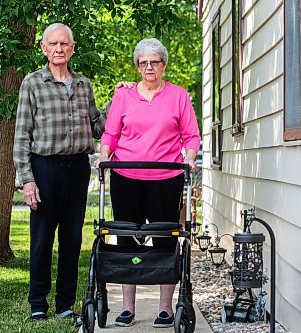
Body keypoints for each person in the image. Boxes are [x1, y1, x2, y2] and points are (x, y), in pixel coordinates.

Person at [96, 37, 200, 328]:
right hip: (126, 176)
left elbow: (191, 136)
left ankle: (165, 308)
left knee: (164, 239)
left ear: (164, 65)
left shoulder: (178, 95)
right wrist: (103, 157)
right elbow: (110, 135)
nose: (149, 67)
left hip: (166, 177)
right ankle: (128, 308)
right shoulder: (124, 96)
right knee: (126, 238)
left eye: (155, 62)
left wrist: (189, 157)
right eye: (143, 63)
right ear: (138, 67)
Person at [13, 23, 107, 325]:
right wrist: (27, 179)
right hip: (45, 169)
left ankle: (66, 304)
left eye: (64, 44)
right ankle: (38, 303)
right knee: (41, 240)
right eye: (52, 44)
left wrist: (118, 104)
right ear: (43, 48)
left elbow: (97, 126)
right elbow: (21, 135)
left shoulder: (83, 84)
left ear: (72, 47)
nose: (58, 49)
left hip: (77, 168)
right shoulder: (32, 83)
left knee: (71, 239)